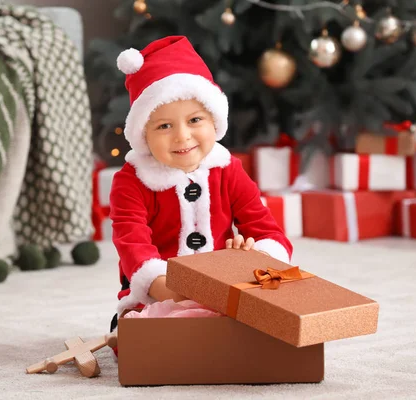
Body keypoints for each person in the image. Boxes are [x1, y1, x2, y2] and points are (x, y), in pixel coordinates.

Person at [108, 36, 293, 338]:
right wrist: (166, 288)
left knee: (267, 322)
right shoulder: (131, 181)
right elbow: (133, 244)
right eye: (164, 126)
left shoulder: (227, 169)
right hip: (159, 293)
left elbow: (268, 231)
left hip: (226, 289)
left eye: (195, 120)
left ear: (214, 121)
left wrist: (254, 259)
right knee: (155, 335)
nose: (182, 137)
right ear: (143, 135)